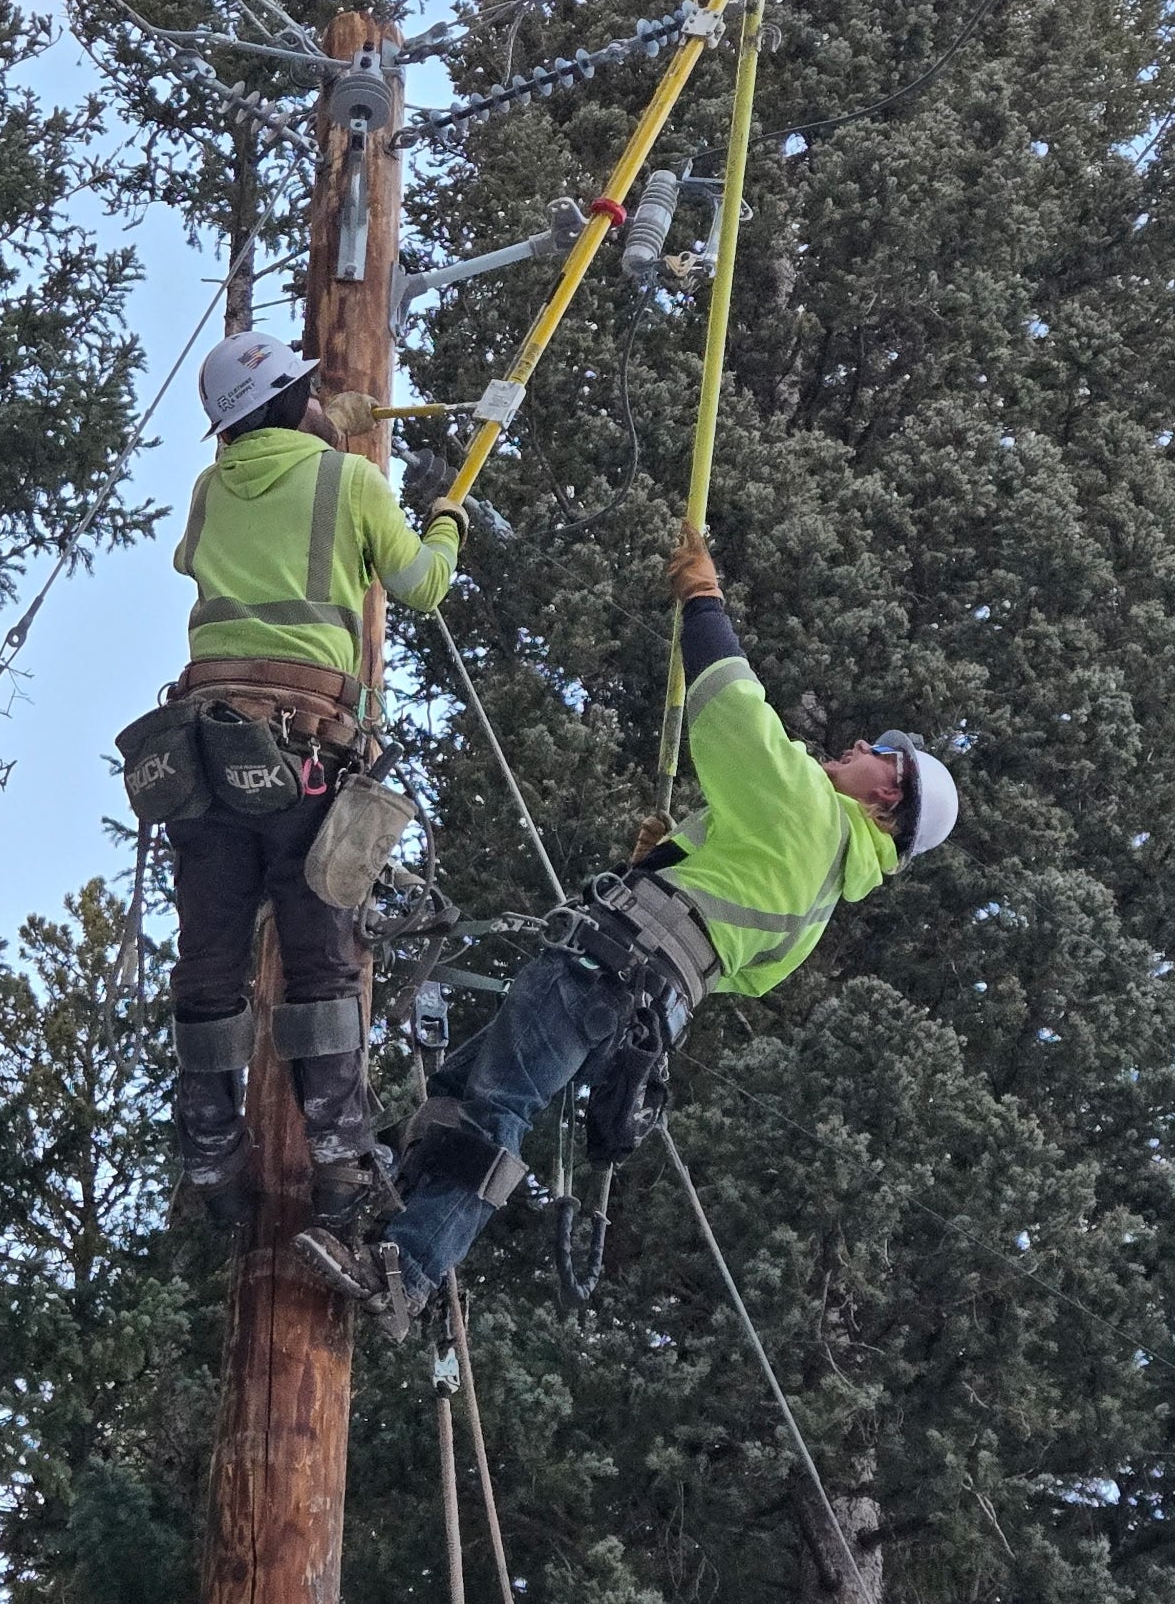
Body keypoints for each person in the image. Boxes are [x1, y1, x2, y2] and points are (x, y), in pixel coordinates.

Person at [296, 522, 959, 1334]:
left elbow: (730, 705)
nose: (858, 746)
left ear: (885, 801)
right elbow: (731, 962)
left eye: (878, 756)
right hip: (636, 1011)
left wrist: (703, 597)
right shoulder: (820, 903)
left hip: (601, 969)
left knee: (494, 1106)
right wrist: (668, 865)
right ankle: (377, 1201)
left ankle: (410, 1269)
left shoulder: (812, 806)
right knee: (463, 1096)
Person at [161, 330, 464, 1230]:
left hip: (206, 756)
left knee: (209, 964)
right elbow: (424, 586)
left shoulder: (212, 488)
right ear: (296, 401)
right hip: (305, 752)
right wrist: (446, 516)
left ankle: (213, 1163)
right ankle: (336, 1159)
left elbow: (196, 559)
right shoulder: (353, 483)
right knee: (320, 960)